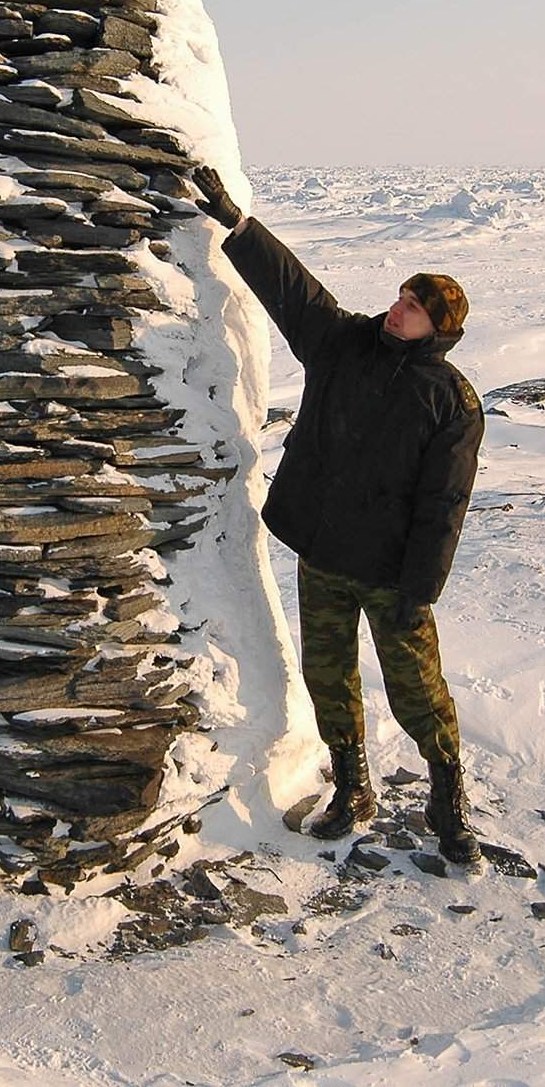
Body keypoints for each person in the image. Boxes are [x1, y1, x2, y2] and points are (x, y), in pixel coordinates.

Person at [187, 166, 484, 863]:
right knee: (329, 676)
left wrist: (421, 589)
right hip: (324, 553)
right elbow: (294, 290)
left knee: (418, 690)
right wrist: (237, 224)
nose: (396, 307)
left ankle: (448, 800)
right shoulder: (345, 342)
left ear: (438, 326)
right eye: (400, 295)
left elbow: (446, 505)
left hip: (390, 573)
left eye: (413, 305)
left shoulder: (452, 402)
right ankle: (353, 787)